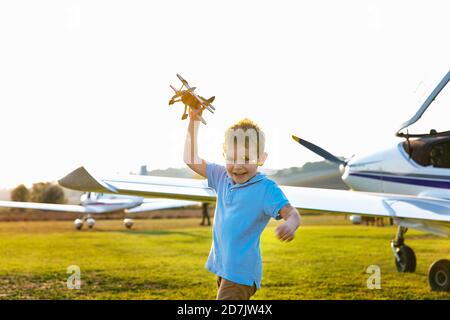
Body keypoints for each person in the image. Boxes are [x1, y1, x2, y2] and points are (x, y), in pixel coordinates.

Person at [183, 109, 301, 300]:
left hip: (241, 274)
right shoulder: (221, 176)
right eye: (231, 158)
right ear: (224, 155)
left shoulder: (266, 188)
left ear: (261, 158)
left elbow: (292, 213)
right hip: (224, 269)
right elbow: (190, 159)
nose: (238, 166)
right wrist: (193, 120)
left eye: (246, 159)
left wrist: (290, 223)